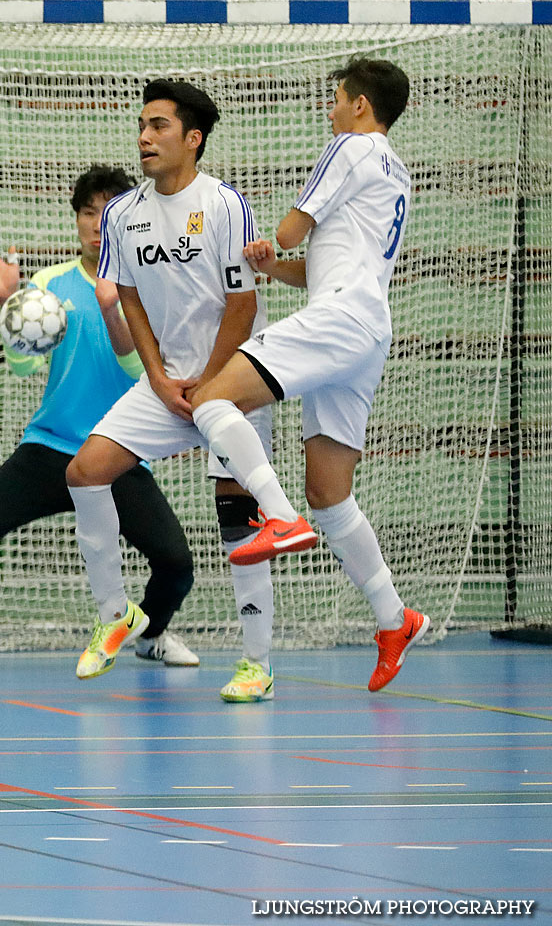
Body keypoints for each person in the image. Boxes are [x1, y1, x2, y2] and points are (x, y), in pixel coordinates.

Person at [0, 165, 200, 668]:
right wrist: (12, 300)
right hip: (51, 445)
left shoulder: (148, 288)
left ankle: (150, 636)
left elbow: (138, 368)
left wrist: (112, 305)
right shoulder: (50, 283)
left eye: (107, 212)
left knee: (176, 564)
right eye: (88, 212)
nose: (95, 223)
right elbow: (25, 365)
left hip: (118, 451)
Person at [189, 58, 427, 693]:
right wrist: (275, 266)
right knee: (332, 492)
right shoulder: (397, 171)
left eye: (336, 100)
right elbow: (324, 260)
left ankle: (277, 515)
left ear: (358, 105)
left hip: (342, 318)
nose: (329, 110)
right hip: (366, 326)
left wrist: (274, 238)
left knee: (212, 400)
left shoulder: (350, 146)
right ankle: (394, 618)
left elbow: (296, 227)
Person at [64, 81, 281, 702]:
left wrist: (212, 383)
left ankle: (256, 662)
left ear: (193, 139)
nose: (144, 137)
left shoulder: (223, 206)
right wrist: (157, 376)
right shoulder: (121, 213)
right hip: (166, 382)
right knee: (86, 471)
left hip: (231, 375)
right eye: (141, 125)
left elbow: (244, 305)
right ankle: (115, 613)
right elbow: (128, 296)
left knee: (237, 514)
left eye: (159, 126)